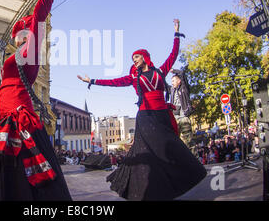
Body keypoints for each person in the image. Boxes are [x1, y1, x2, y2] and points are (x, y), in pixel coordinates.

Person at [78, 19, 207, 201]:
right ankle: (148, 190)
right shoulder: (133, 77)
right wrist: (92, 81)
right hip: (146, 116)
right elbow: (114, 82)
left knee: (171, 147)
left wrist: (176, 33)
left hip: (162, 114)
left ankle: (179, 180)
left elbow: (173, 54)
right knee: (149, 153)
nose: (134, 60)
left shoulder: (160, 71)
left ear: (145, 57)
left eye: (136, 57)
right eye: (132, 59)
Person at [0, 0, 75, 201]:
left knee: (22, 176)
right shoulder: (16, 54)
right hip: (4, 116)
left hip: (18, 119)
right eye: (18, 34)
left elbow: (40, 16)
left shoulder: (30, 51)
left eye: (22, 32)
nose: (18, 36)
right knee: (5, 175)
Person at [170, 68, 194, 149]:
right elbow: (164, 86)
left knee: (188, 140)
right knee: (177, 141)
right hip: (176, 118)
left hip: (183, 116)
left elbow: (182, 74)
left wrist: (173, 70)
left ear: (178, 81)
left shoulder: (184, 88)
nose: (172, 83)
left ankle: (193, 159)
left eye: (173, 81)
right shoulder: (172, 90)